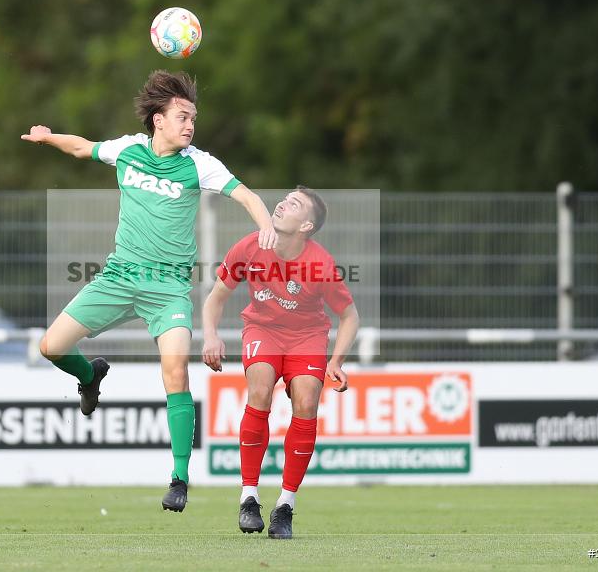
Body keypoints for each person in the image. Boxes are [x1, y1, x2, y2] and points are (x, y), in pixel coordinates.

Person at [21, 70, 277, 513]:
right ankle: (89, 376)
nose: (189, 125)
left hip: (169, 288)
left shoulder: (200, 163)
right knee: (50, 346)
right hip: (120, 277)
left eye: (193, 118)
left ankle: (179, 478)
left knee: (175, 371)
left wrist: (267, 224)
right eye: (182, 116)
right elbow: (83, 147)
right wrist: (48, 138)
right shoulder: (129, 150)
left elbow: (247, 196)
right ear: (158, 120)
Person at [202, 186, 359, 539]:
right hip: (262, 329)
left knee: (306, 401)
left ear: (306, 226)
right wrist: (211, 335)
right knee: (259, 388)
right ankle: (249, 498)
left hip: (307, 337)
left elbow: (350, 317)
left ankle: (285, 507)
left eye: (295, 204)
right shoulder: (249, 246)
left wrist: (337, 360)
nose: (283, 202)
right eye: (285, 198)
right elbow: (215, 299)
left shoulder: (320, 264)